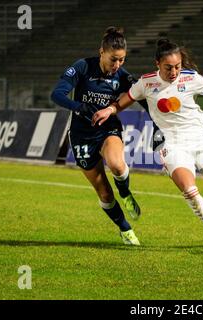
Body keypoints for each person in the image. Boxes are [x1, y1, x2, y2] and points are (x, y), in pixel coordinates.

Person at [92, 39, 203, 247]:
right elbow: (122, 103)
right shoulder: (146, 83)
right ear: (157, 63)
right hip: (173, 145)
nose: (174, 72)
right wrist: (109, 110)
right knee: (189, 190)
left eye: (177, 66)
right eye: (169, 67)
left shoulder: (191, 78)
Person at [50, 27, 142, 246]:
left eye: (121, 60)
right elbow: (57, 94)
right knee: (105, 194)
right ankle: (125, 229)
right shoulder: (82, 67)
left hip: (107, 128)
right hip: (82, 135)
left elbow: (142, 96)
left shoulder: (122, 76)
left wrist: (158, 125)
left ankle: (126, 192)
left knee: (117, 166)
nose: (117, 65)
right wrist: (79, 107)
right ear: (102, 52)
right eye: (113, 60)